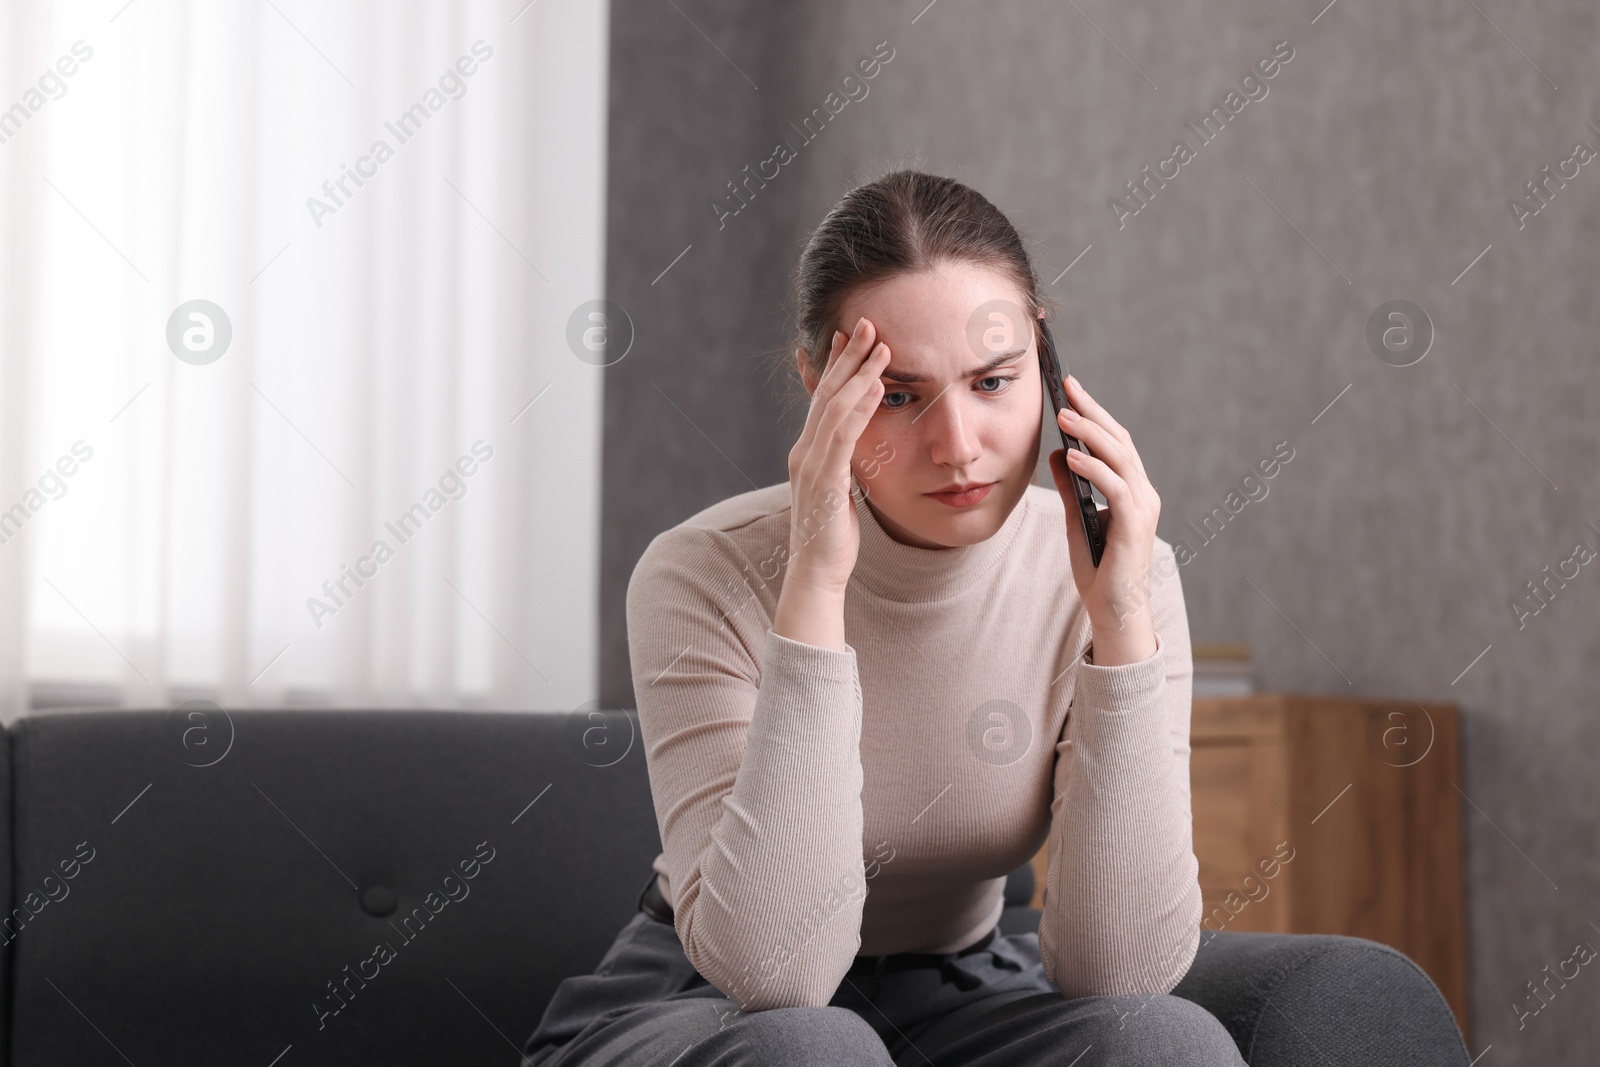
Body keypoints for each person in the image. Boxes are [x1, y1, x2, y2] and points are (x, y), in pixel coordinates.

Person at [521, 170, 1245, 1065]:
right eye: (897, 396)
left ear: (1047, 368)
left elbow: (1121, 973)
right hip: (711, 1005)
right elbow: (777, 977)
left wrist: (1121, 620)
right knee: (814, 1051)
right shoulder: (703, 571)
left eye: (993, 380)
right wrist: (817, 588)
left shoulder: (1120, 570)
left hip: (959, 993)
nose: (958, 446)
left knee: (1170, 1044)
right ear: (819, 387)